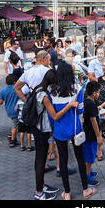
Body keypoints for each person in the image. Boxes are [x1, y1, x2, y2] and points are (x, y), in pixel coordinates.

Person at [48, 61, 98, 200]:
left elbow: (50, 114)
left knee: (63, 161)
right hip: (75, 129)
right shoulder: (77, 88)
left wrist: (53, 127)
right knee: (80, 159)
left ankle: (68, 193)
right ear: (70, 73)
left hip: (59, 130)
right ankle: (85, 190)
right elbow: (81, 109)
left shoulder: (51, 89)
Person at [30, 69, 79, 200]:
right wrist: (69, 106)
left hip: (37, 128)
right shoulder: (44, 96)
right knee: (41, 160)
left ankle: (41, 184)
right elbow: (55, 116)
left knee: (40, 159)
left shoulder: (38, 88)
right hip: (41, 130)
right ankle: (39, 192)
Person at [82, 81, 103, 186]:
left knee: (89, 154)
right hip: (90, 135)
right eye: (98, 92)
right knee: (90, 156)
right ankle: (87, 176)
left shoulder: (87, 101)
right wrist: (98, 136)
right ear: (94, 93)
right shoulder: (91, 104)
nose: (99, 94)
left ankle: (88, 172)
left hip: (87, 133)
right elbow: (93, 120)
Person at [0, 75, 19, 148]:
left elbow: (0, 102)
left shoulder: (3, 91)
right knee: (14, 125)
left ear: (5, 82)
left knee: (14, 123)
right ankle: (13, 140)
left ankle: (13, 137)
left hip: (9, 110)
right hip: (16, 110)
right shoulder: (17, 89)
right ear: (15, 82)